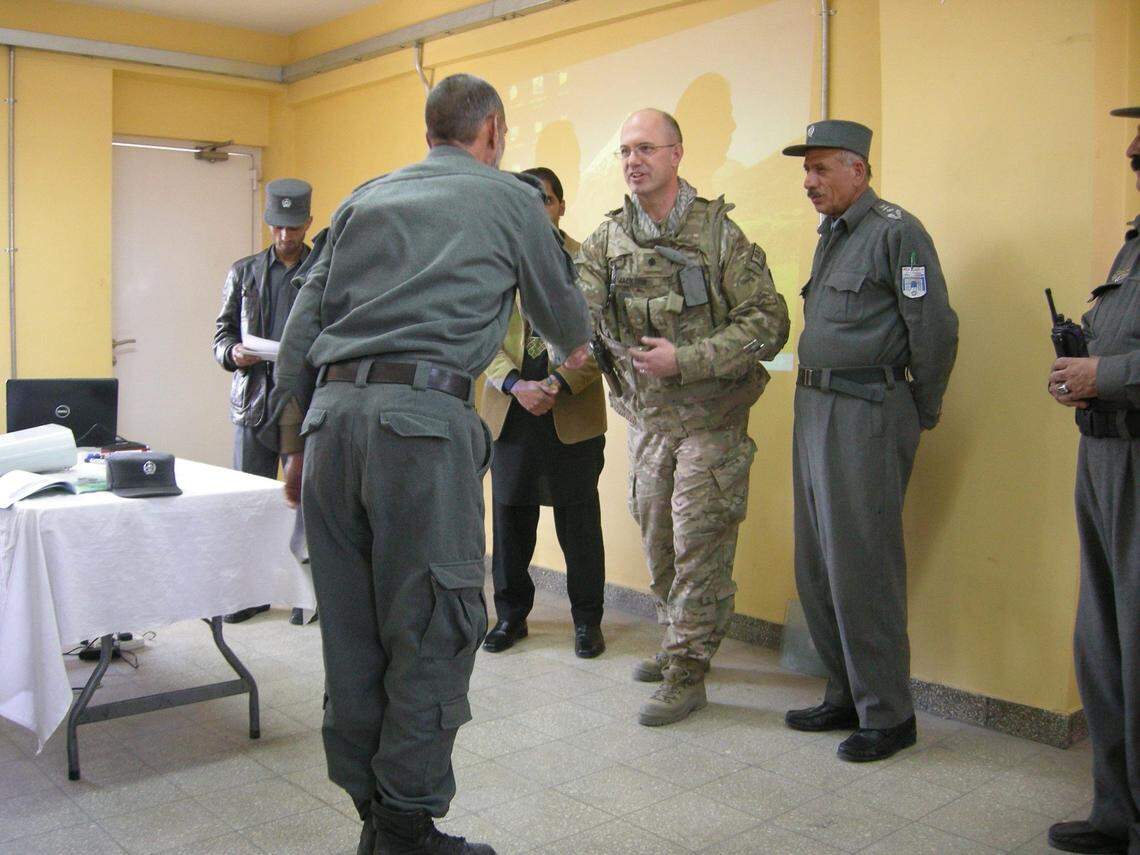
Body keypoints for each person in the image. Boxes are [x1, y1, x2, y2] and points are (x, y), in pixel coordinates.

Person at [266, 74, 590, 855]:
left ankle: (375, 817)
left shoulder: (365, 197)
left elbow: (301, 328)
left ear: (428, 132)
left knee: (352, 633)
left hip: (330, 425)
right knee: (432, 627)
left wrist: (294, 444)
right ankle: (405, 829)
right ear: (494, 131)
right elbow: (566, 324)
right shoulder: (512, 200)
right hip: (421, 428)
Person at [577, 109, 790, 727]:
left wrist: (687, 359)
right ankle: (679, 638)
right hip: (648, 424)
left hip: (710, 422)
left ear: (676, 154)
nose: (633, 161)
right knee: (658, 541)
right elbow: (576, 303)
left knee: (699, 542)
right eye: (625, 151)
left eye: (646, 148)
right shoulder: (608, 240)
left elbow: (769, 327)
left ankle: (687, 671)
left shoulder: (719, 236)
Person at [781, 120, 958, 762]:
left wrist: (919, 411)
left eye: (821, 168)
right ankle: (846, 693)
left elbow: (933, 328)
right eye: (806, 169)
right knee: (817, 563)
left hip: (867, 412)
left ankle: (888, 714)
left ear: (858, 169)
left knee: (863, 564)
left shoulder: (896, 232)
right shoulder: (834, 234)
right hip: (815, 408)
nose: (809, 181)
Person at [1045, 105, 1139, 855]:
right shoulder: (1133, 244)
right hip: (1102, 453)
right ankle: (1116, 812)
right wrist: (1079, 371)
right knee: (1102, 644)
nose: (1133, 146)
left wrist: (1103, 373)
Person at [479, 167, 608, 659]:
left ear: (561, 206)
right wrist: (516, 384)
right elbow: (480, 333)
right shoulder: (493, 263)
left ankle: (587, 621)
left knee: (579, 522)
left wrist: (555, 383)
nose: (537, 211)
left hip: (569, 410)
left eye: (546, 201)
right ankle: (511, 617)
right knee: (510, 521)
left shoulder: (589, 261)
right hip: (510, 410)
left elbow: (602, 338)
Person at [213, 178, 313, 625]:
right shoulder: (243, 272)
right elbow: (222, 335)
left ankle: (305, 596)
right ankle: (250, 593)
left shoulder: (324, 272)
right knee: (249, 501)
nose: (285, 235)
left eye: (293, 227)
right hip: (253, 398)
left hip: (301, 399)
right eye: (277, 227)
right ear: (268, 223)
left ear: (308, 223)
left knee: (302, 501)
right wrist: (232, 352)